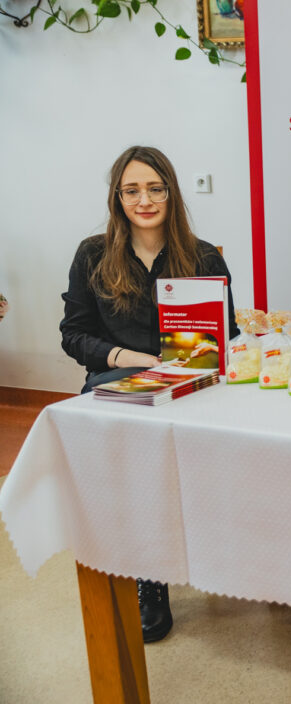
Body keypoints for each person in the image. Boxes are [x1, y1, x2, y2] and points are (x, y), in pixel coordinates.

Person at [60, 145, 238, 643]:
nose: (145, 199)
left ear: (171, 193)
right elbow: (74, 335)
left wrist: (207, 357)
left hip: (191, 386)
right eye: (132, 190)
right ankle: (149, 578)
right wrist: (130, 359)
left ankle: (213, 558)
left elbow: (230, 333)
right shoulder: (92, 254)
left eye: (155, 188)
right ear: (117, 197)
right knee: (137, 462)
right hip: (120, 385)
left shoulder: (202, 256)